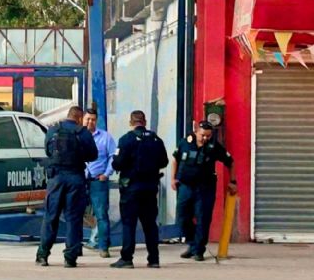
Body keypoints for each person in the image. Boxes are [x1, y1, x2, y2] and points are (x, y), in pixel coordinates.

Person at [36, 106, 98, 268]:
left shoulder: (53, 130)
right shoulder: (83, 133)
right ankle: (70, 258)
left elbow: (48, 151)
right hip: (75, 178)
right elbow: (93, 155)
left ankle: (42, 255)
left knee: (50, 217)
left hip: (56, 178)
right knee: (74, 219)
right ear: (79, 118)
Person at [110, 110, 168, 269]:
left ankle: (127, 258)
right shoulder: (156, 140)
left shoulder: (126, 140)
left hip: (131, 189)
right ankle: (154, 259)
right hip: (150, 189)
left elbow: (117, 163)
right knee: (150, 225)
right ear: (145, 122)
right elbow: (164, 161)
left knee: (129, 224)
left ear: (131, 122)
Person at [172, 121, 237, 262]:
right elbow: (175, 159)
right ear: (196, 131)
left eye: (208, 135)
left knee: (202, 219)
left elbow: (230, 162)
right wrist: (173, 178)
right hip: (186, 186)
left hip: (204, 188)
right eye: (203, 135)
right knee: (183, 217)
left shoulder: (214, 146)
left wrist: (233, 182)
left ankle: (199, 250)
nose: (205, 138)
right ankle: (192, 244)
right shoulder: (185, 143)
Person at [82, 108, 117, 258]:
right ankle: (75, 247)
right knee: (75, 214)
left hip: (98, 181)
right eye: (88, 119)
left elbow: (113, 157)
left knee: (101, 214)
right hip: (80, 181)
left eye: (93, 119)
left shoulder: (106, 137)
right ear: (83, 119)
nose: (90, 122)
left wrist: (106, 174)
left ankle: (103, 247)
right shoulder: (77, 136)